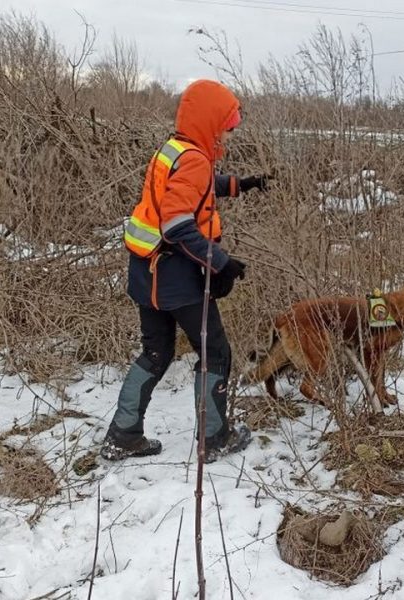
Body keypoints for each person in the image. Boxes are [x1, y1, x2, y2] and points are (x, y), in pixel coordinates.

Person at [103, 79, 268, 463]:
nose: (229, 131)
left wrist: (238, 185)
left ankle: (123, 435)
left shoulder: (175, 149)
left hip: (146, 274)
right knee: (216, 353)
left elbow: (190, 187)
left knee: (155, 353)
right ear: (209, 119)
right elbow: (177, 225)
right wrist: (221, 262)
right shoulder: (194, 158)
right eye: (226, 123)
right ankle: (215, 439)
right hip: (177, 279)